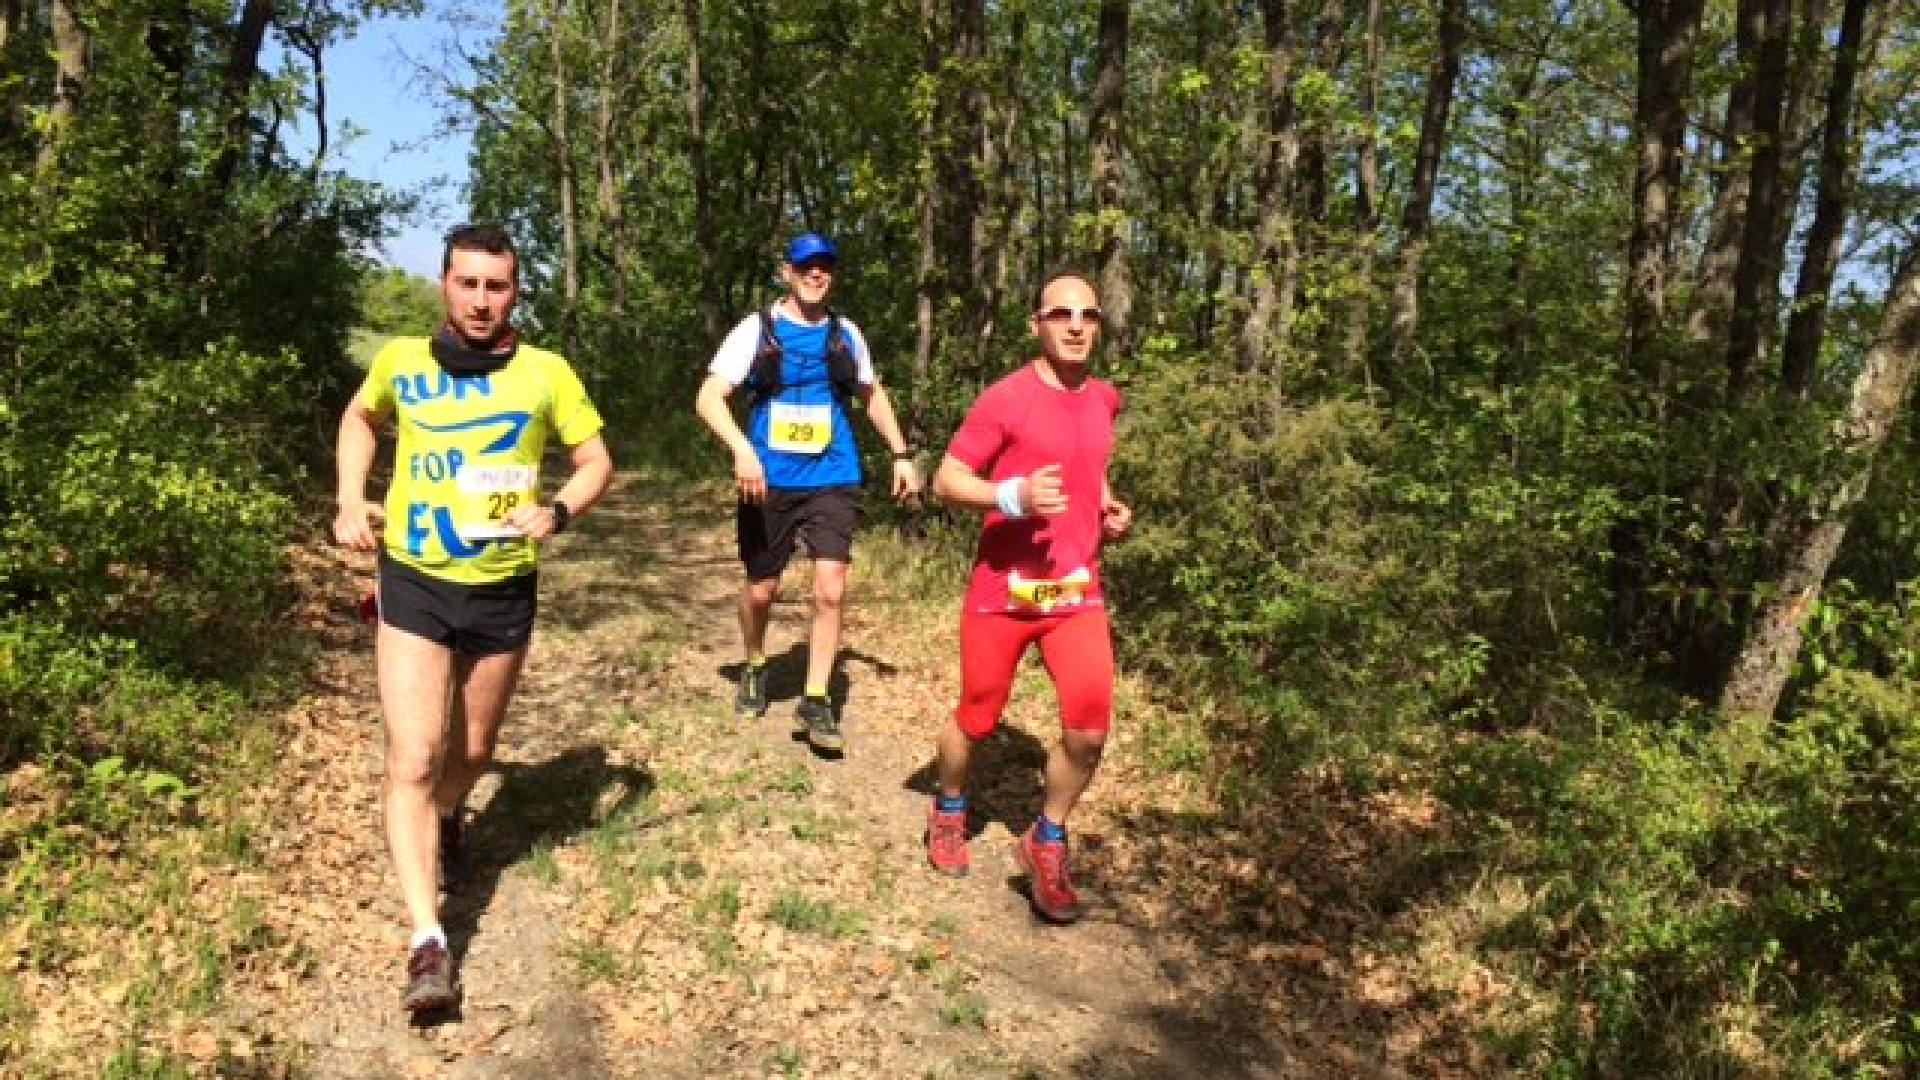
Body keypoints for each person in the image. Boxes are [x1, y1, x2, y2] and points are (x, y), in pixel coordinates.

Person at [333, 223, 613, 1013]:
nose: (482, 300)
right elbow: (362, 418)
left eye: (497, 286)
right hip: (415, 579)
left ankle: (451, 811)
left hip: (500, 588)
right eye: (468, 284)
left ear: (515, 292)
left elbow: (596, 461)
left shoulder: (545, 373)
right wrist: (352, 498)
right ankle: (429, 940)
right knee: (413, 757)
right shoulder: (401, 362)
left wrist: (556, 511)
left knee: (474, 750)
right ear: (445, 284)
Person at [922, 270, 1132, 925]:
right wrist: (1010, 496)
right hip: (1004, 593)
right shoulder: (1005, 399)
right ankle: (950, 807)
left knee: (1090, 728)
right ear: (1036, 324)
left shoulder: (1105, 399)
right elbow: (946, 480)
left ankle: (1046, 839)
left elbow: (1088, 467)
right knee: (979, 717)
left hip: (1075, 593)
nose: (1076, 325)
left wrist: (1106, 507)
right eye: (1062, 314)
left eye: (1089, 315)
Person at [694, 232, 920, 753]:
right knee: (761, 590)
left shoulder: (846, 334)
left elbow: (871, 393)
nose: (816, 275)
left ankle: (815, 697)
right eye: (805, 266)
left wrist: (901, 454)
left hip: (833, 474)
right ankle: (755, 664)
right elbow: (708, 397)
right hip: (768, 478)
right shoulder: (757, 330)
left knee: (831, 589)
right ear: (786, 272)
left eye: (825, 267)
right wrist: (740, 450)